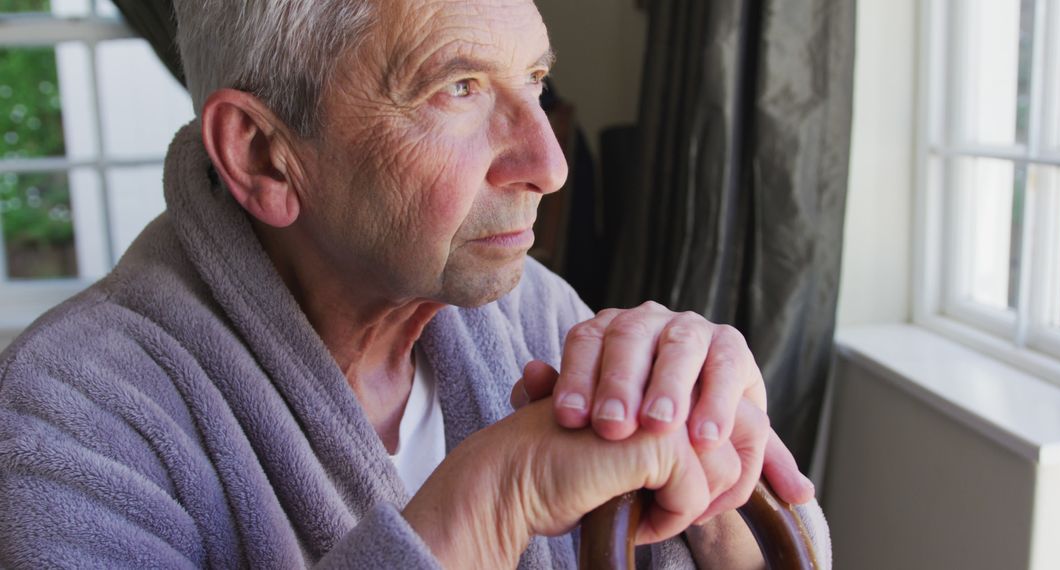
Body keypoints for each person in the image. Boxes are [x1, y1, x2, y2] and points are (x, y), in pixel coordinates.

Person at [0, 0, 827, 568]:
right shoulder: (65, 416)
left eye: (534, 80)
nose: (550, 163)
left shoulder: (535, 313)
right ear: (262, 153)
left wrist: (719, 493)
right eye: (458, 88)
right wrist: (487, 504)